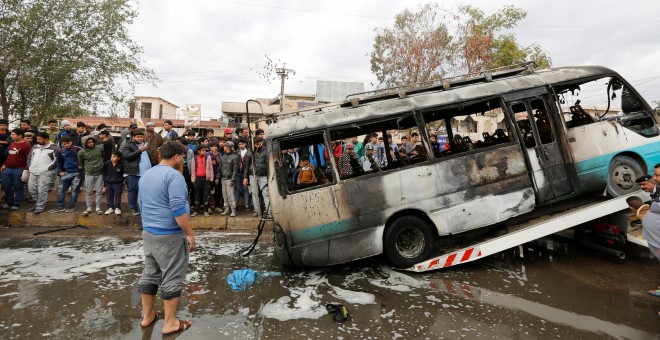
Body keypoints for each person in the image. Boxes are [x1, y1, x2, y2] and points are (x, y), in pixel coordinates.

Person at [137, 141, 194, 335]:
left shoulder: (147, 174)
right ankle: (170, 323)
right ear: (177, 157)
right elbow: (178, 208)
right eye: (183, 158)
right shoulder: (174, 176)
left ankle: (148, 316)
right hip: (169, 235)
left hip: (149, 232)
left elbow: (141, 204)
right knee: (171, 277)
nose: (184, 161)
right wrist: (189, 233)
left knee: (150, 274)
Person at [120, 129, 151, 216]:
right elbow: (127, 156)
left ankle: (144, 209)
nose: (140, 138)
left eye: (141, 137)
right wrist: (140, 150)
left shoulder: (145, 144)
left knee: (145, 191)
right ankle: (133, 208)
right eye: (137, 137)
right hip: (133, 172)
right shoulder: (127, 145)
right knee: (133, 191)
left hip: (146, 173)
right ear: (133, 137)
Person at [27, 132, 60, 214]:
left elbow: (57, 161)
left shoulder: (55, 148)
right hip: (33, 171)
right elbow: (29, 158)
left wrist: (48, 168)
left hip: (45, 173)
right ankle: (36, 203)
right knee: (31, 189)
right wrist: (30, 167)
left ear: (46, 139)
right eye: (37, 139)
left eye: (40, 139)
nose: (38, 141)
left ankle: (40, 206)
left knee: (42, 190)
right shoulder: (35, 147)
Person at [50, 135, 82, 213]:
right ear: (62, 144)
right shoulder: (62, 151)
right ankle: (60, 207)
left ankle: (71, 207)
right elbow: (59, 162)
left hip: (77, 173)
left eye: (68, 143)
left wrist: (82, 166)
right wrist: (60, 171)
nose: (66, 145)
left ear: (71, 142)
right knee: (60, 190)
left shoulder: (78, 149)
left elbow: (85, 158)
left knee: (74, 191)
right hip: (66, 173)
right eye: (64, 144)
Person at [1, 128, 31, 210]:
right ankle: (10, 202)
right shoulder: (12, 144)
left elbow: (29, 159)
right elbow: (9, 156)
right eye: (11, 134)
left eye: (13, 134)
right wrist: (4, 165)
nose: (11, 136)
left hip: (19, 169)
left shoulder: (26, 146)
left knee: (18, 187)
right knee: (5, 185)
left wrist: (26, 170)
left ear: (20, 135)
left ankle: (16, 204)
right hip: (7, 169)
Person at [78, 135, 105, 216]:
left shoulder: (99, 148)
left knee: (99, 191)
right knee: (88, 191)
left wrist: (100, 165)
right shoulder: (81, 152)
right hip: (89, 173)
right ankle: (89, 207)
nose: (91, 143)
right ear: (85, 143)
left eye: (92, 142)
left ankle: (98, 207)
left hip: (99, 173)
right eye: (89, 142)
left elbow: (103, 157)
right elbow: (80, 163)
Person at [636, 174, 660, 261]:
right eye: (640, 185)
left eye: (643, 184)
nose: (642, 187)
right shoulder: (654, 192)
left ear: (652, 183)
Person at [244, 137, 270, 217]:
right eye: (257, 144)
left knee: (266, 193)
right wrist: (245, 177)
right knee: (254, 193)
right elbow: (246, 166)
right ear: (253, 144)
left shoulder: (266, 151)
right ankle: (257, 210)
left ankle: (269, 211)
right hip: (253, 175)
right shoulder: (249, 152)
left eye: (260, 143)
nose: (259, 145)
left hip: (263, 175)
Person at [190, 144, 213, 217]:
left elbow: (210, 168)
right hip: (198, 179)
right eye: (203, 150)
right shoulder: (194, 159)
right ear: (199, 151)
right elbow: (193, 169)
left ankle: (206, 211)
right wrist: (193, 179)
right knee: (197, 195)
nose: (204, 152)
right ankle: (196, 210)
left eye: (205, 150)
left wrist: (211, 178)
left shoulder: (208, 158)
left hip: (206, 179)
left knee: (206, 195)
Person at [220, 141, 239, 217]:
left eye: (225, 146)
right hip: (223, 179)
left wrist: (233, 180)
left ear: (228, 147)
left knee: (231, 195)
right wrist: (218, 177)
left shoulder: (234, 157)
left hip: (229, 179)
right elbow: (220, 168)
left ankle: (233, 210)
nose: (223, 147)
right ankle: (227, 209)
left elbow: (235, 169)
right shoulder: (223, 156)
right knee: (225, 195)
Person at [235, 138, 251, 211]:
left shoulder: (249, 152)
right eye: (239, 144)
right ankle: (234, 204)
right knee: (237, 188)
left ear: (245, 144)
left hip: (246, 173)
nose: (241, 145)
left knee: (245, 188)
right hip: (238, 172)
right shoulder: (236, 152)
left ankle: (247, 205)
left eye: (242, 144)